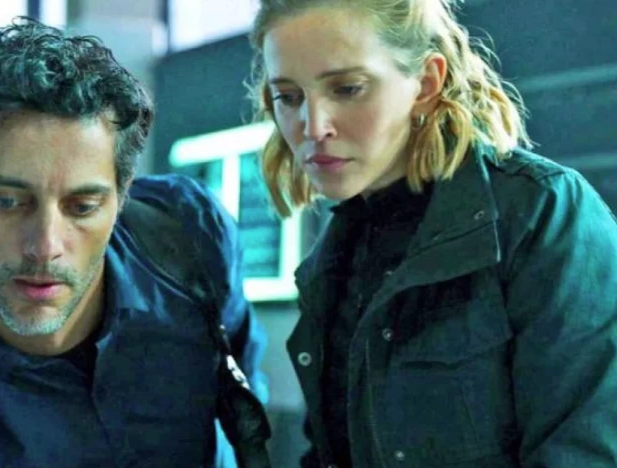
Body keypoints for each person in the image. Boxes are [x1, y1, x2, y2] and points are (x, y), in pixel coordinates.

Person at [0, 18, 268, 467]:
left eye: (82, 207)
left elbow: (243, 394)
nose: (45, 246)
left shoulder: (189, 234)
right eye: (6, 201)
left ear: (120, 198)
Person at [248, 0, 617, 466]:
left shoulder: (540, 212)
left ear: (425, 83)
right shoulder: (333, 258)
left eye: (347, 88)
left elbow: (585, 450)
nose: (313, 126)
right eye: (288, 97)